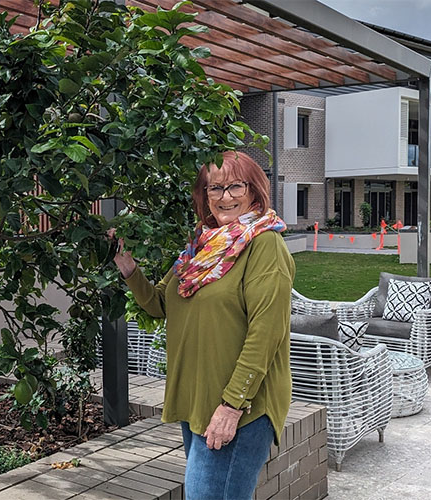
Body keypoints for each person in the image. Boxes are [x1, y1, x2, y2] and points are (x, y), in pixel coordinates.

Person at [111, 151, 294, 500]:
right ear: (204, 196)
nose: (225, 197)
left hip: (240, 409)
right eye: (215, 189)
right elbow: (161, 303)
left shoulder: (264, 245)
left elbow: (266, 333)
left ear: (254, 192)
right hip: (200, 400)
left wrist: (231, 406)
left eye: (234, 186)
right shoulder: (201, 247)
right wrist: (129, 269)